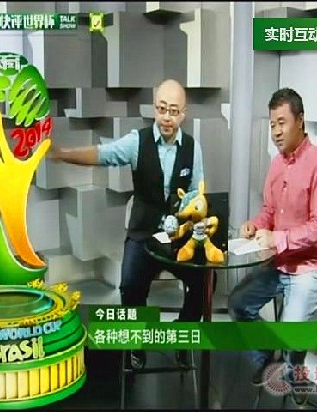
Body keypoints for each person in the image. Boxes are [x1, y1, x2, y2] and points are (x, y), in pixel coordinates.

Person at [49, 79, 209, 369]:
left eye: (173, 111)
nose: (167, 117)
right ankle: (138, 342)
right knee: (131, 285)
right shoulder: (138, 141)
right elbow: (103, 154)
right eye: (161, 109)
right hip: (143, 234)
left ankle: (181, 336)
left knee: (203, 282)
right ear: (154, 108)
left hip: (178, 236)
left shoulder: (193, 148)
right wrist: (63, 154)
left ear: (183, 114)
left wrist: (187, 215)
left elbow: (197, 193)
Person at [228, 88, 317, 405]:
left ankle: (294, 372)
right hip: (278, 264)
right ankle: (266, 356)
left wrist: (278, 239)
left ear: (300, 121)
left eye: (282, 122)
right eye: (272, 124)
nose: (275, 131)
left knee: (291, 328)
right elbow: (270, 212)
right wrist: (255, 225)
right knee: (237, 303)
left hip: (309, 266)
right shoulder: (276, 164)